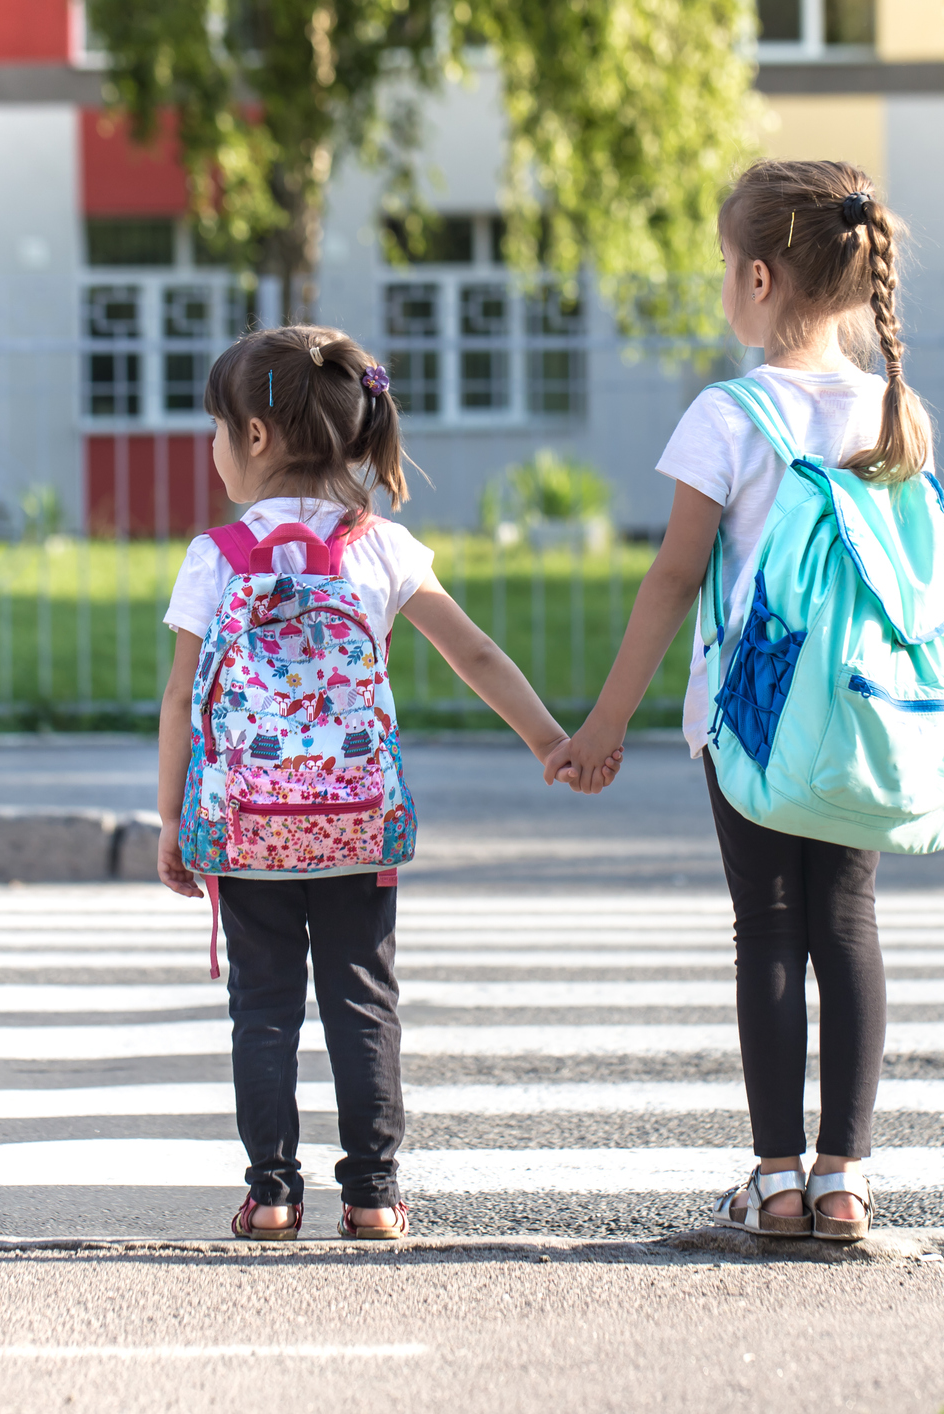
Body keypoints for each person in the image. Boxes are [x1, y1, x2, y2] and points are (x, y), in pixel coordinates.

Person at [154, 324, 614, 1241]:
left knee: (265, 1007)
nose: (212, 447)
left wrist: (173, 820)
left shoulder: (216, 557)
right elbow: (474, 652)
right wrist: (549, 740)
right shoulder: (382, 548)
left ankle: (273, 1194)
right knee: (362, 996)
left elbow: (179, 702)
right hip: (357, 827)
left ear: (253, 436)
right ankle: (372, 1194)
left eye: (215, 427)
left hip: (248, 830)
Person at [546, 160, 935, 1242]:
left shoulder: (729, 414)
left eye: (726, 264)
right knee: (847, 922)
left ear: (759, 276)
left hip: (749, 722)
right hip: (861, 713)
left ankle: (773, 1179)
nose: (724, 281)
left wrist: (606, 721)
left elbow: (674, 578)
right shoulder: (894, 410)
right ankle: (844, 1176)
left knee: (766, 927)